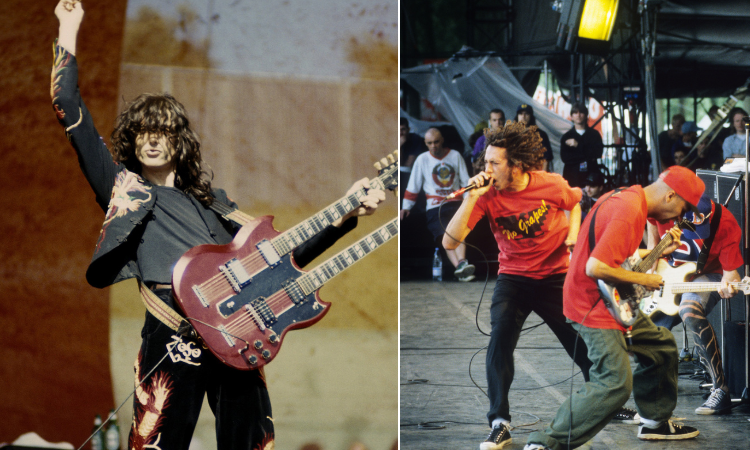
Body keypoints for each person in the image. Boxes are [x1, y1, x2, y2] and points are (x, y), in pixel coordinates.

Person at [52, 2, 386, 449]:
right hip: (174, 331)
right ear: (132, 140)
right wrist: (69, 26)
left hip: (238, 333)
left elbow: (279, 263)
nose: (152, 139)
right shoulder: (123, 189)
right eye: (143, 132)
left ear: (179, 141)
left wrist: (347, 214)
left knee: (251, 444)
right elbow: (67, 104)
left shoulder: (216, 205)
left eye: (163, 131)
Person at [524, 166, 704, 450]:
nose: (679, 218)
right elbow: (595, 267)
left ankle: (655, 422)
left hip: (611, 298)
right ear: (670, 195)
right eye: (683, 209)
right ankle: (545, 444)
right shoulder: (628, 210)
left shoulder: (627, 197)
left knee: (662, 347)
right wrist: (645, 279)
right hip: (593, 304)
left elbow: (618, 254)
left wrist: (655, 252)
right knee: (615, 382)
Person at [442, 121, 593, 450]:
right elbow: (450, 242)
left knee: (582, 342)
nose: (487, 169)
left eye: (494, 163)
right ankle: (499, 422)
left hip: (555, 275)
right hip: (514, 277)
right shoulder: (487, 194)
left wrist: (572, 236)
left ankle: (605, 401)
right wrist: (471, 199)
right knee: (499, 341)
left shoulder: (550, 184)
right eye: (485, 162)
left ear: (517, 165)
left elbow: (575, 203)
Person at [647, 194, 743, 415]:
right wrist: (652, 253)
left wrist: (730, 285)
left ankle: (720, 389)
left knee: (689, 310)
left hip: (706, 275)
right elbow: (651, 224)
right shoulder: (660, 207)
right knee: (640, 331)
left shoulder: (725, 221)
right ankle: (660, 380)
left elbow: (731, 275)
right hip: (666, 276)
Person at [401, 127, 475, 281]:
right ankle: (461, 266)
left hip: (455, 203)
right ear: (425, 143)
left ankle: (461, 265)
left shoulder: (455, 155)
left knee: (458, 232)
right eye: (429, 143)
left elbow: (466, 182)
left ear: (442, 141)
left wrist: (469, 202)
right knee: (445, 234)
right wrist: (406, 207)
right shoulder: (422, 159)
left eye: (436, 142)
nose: (433, 146)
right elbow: (413, 185)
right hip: (435, 206)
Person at [560, 104, 604, 188]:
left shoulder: (594, 135)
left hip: (590, 179)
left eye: (581, 112)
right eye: (575, 113)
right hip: (572, 178)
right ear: (571, 116)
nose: (578, 115)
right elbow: (565, 158)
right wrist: (588, 156)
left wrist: (578, 145)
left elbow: (598, 153)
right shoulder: (567, 137)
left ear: (586, 115)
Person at [515, 104, 554, 172]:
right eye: (520, 114)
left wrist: (543, 174)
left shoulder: (541, 135)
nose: (523, 116)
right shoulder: (512, 135)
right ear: (517, 116)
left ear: (531, 116)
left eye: (526, 114)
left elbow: (546, 158)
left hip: (535, 172)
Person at [400, 117, 427, 200]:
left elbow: (407, 166)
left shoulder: (415, 139)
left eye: (403, 129)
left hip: (412, 173)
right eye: (398, 130)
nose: (400, 133)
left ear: (408, 129)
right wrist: (399, 146)